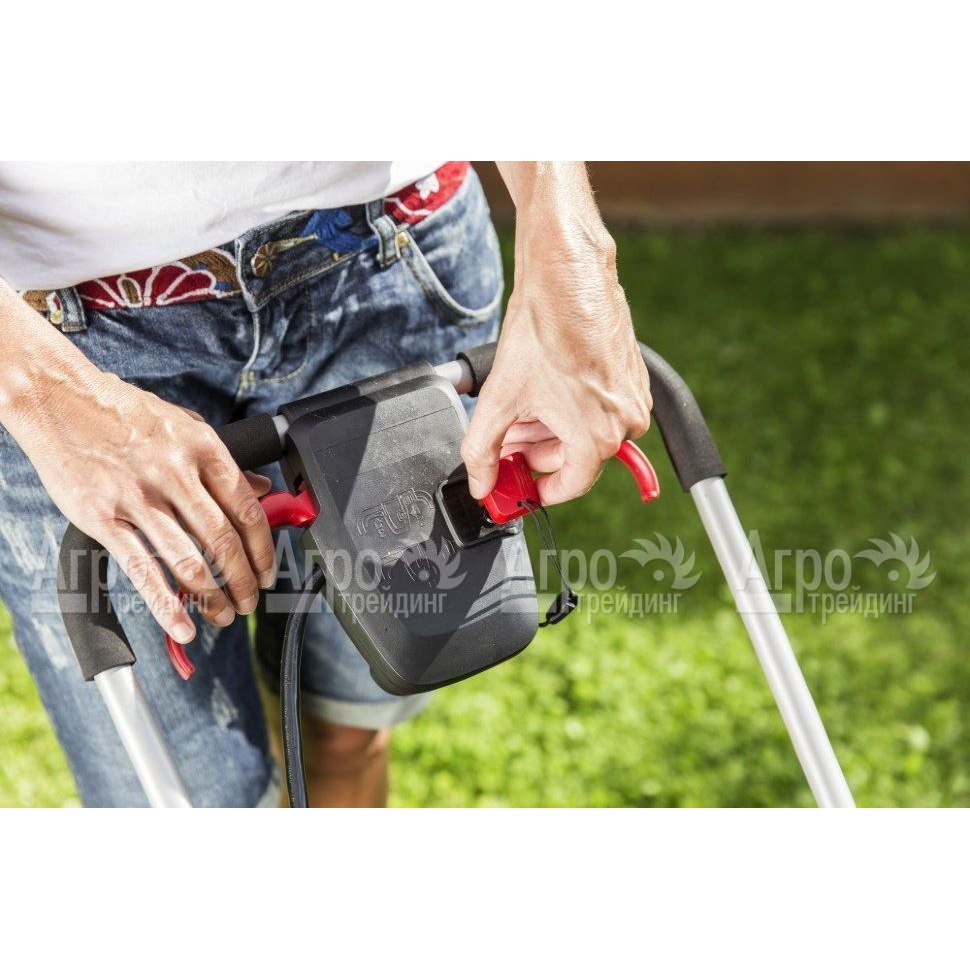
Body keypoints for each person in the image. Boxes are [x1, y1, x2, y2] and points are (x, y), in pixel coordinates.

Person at [0, 161, 651, 807]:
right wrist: (37, 388)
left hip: (392, 261)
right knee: (178, 798)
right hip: (56, 337)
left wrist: (574, 253)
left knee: (350, 730)